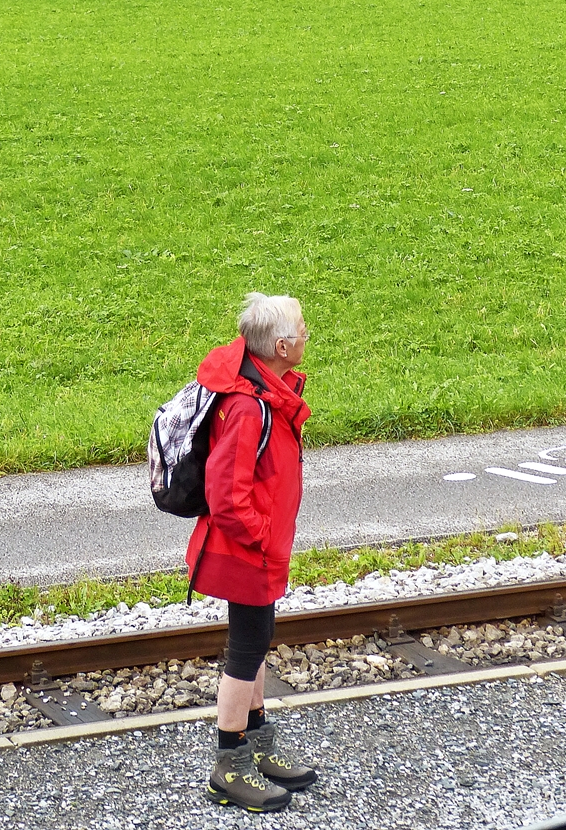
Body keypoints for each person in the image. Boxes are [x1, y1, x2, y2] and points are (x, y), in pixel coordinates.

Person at [186, 292, 317, 814]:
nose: (308, 336)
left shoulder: (269, 391)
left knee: (257, 639)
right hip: (245, 549)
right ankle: (229, 763)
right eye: (303, 330)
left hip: (258, 546)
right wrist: (261, 536)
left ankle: (257, 749)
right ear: (282, 346)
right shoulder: (248, 407)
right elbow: (225, 492)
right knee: (248, 645)